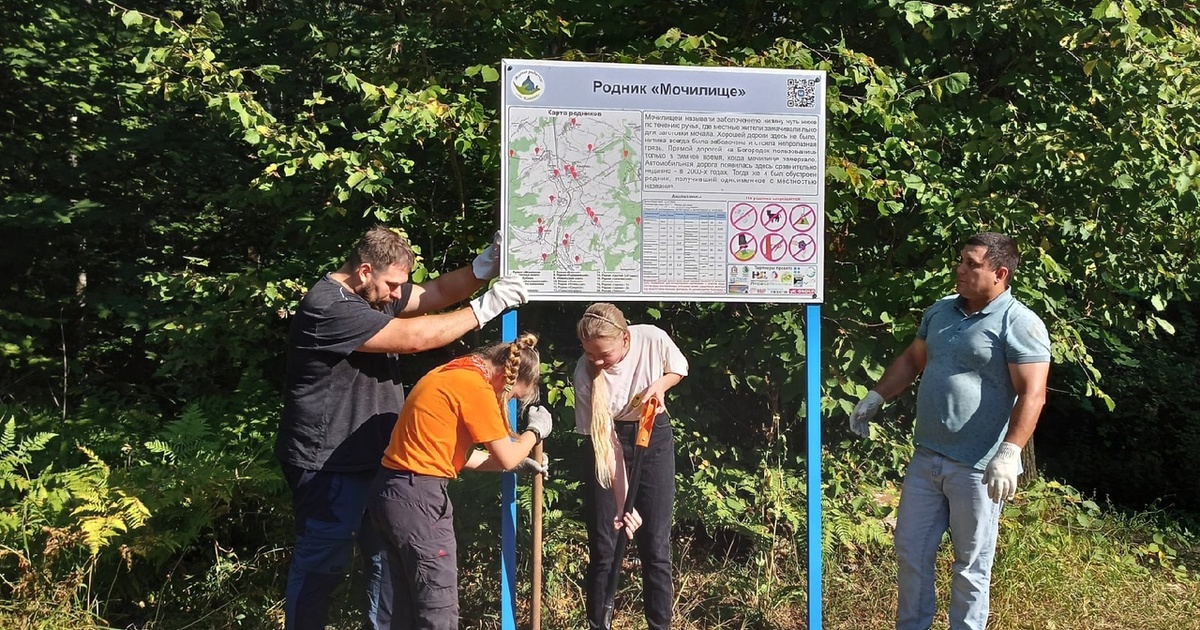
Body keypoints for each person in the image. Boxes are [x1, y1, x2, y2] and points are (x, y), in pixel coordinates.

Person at [275, 226, 528, 630]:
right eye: (392, 285)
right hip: (327, 465)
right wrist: (486, 307)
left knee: (386, 571)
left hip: (378, 463)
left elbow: (436, 293)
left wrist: (484, 267)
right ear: (363, 271)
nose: (398, 295)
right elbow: (412, 338)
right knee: (322, 565)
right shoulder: (328, 307)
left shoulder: (373, 293)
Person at [847, 232, 1051, 630]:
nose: (960, 269)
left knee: (972, 565)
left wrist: (1009, 453)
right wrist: (876, 396)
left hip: (978, 467)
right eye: (961, 260)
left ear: (1000, 273)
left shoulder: (1020, 323)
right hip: (927, 457)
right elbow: (912, 359)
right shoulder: (940, 311)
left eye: (972, 264)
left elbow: (1033, 393)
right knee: (911, 551)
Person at [368, 332, 553, 629]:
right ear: (506, 377)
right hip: (420, 501)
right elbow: (507, 455)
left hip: (392, 492)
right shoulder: (474, 387)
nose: (507, 403)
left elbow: (458, 455)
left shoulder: (452, 372)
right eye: (514, 396)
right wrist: (533, 433)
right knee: (436, 607)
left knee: (398, 610)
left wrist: (515, 464)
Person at [572, 303, 688, 630]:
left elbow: (678, 368)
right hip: (608, 442)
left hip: (654, 434)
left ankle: (659, 625)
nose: (596, 361)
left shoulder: (651, 338)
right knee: (607, 543)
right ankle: (599, 624)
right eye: (589, 353)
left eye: (603, 354)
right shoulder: (584, 373)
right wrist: (624, 505)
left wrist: (659, 386)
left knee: (655, 544)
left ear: (624, 339)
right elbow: (607, 444)